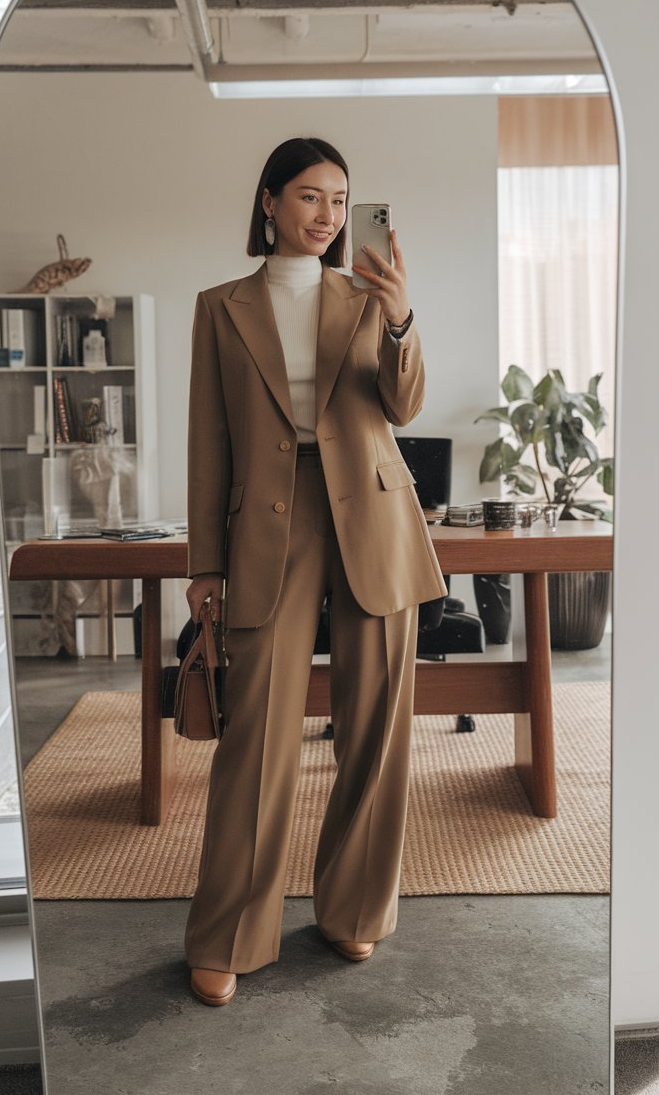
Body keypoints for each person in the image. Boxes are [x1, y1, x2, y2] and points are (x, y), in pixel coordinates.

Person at [183, 136, 447, 1006]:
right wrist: (204, 566)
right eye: (308, 196)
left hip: (371, 513)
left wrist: (402, 317)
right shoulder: (220, 307)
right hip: (268, 522)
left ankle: (353, 909)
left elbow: (401, 405)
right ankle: (229, 932)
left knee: (375, 726)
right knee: (256, 736)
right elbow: (208, 446)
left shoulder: (367, 295)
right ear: (268, 203)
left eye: (339, 199)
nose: (328, 215)